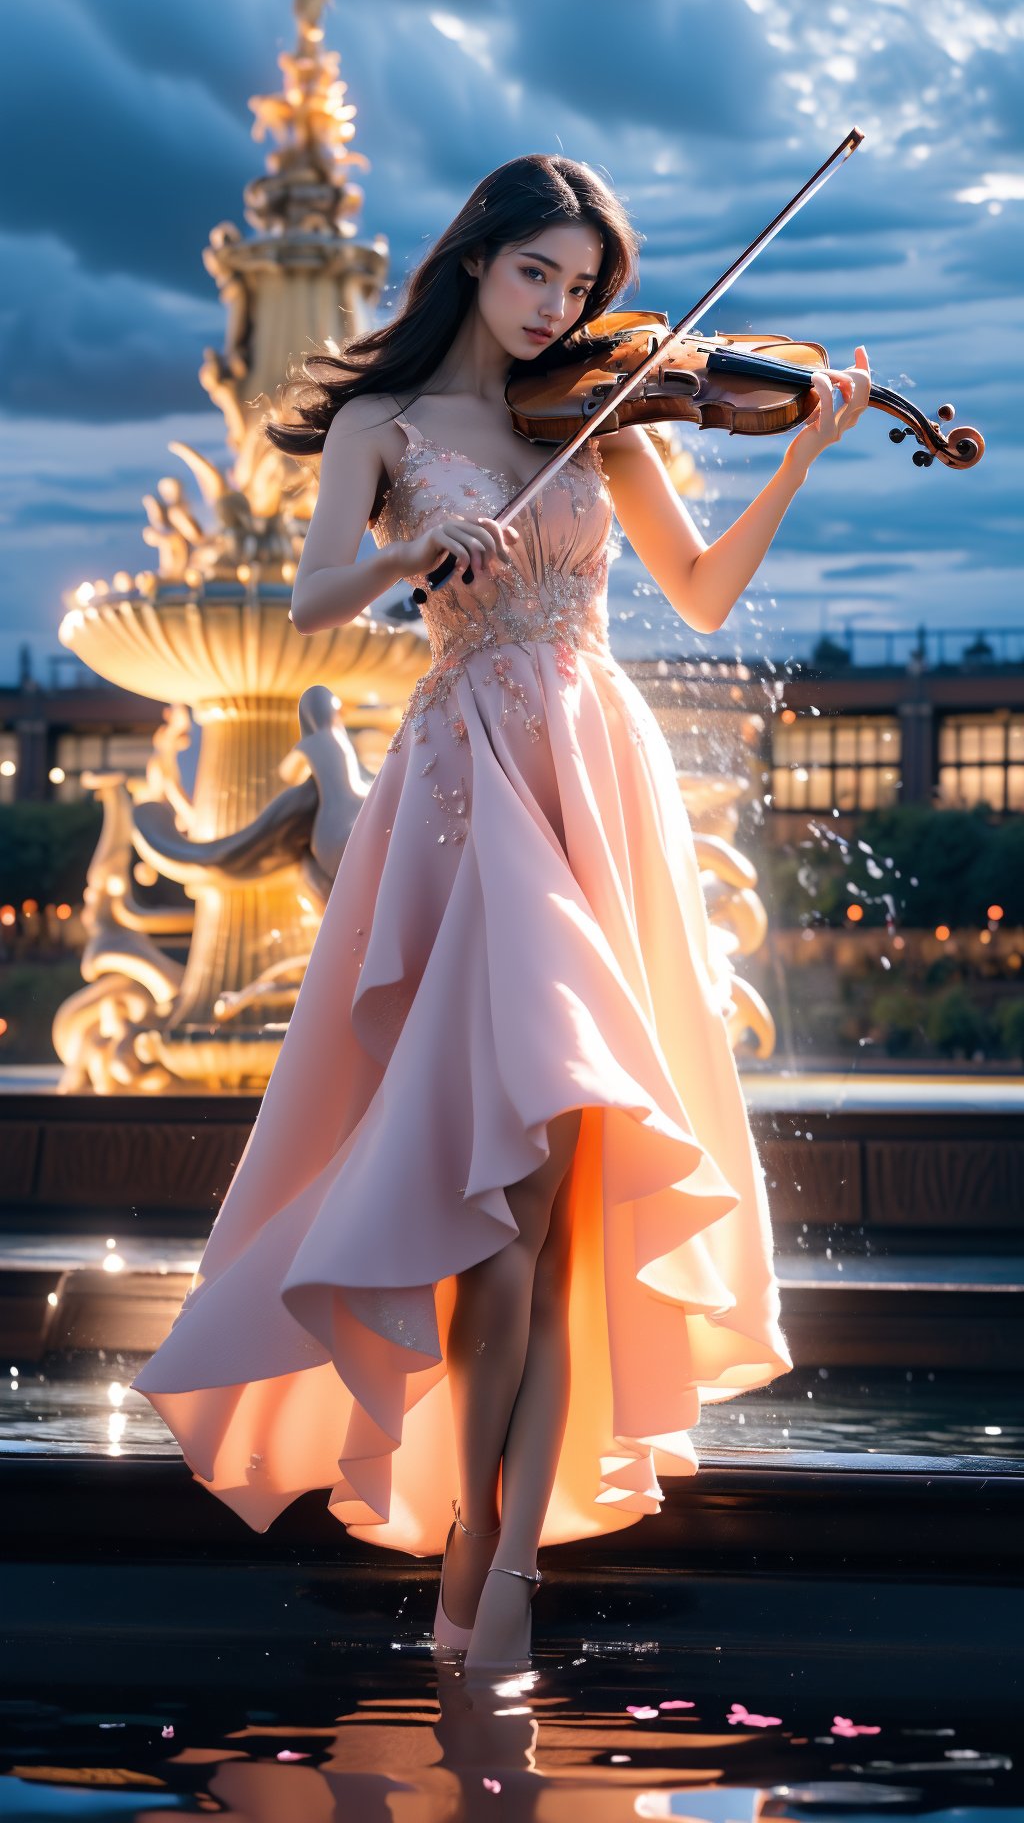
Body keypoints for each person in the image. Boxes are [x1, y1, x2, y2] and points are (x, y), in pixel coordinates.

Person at [131, 154, 870, 1673]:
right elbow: (314, 598)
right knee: (503, 1214)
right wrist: (411, 551)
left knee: (565, 1189)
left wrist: (798, 457)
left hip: (595, 776)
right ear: (477, 259)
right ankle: (483, 1557)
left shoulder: (607, 414)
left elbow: (705, 593)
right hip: (468, 789)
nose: (565, 309)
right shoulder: (382, 425)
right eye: (540, 273)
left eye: (585, 286)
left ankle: (499, 1569)